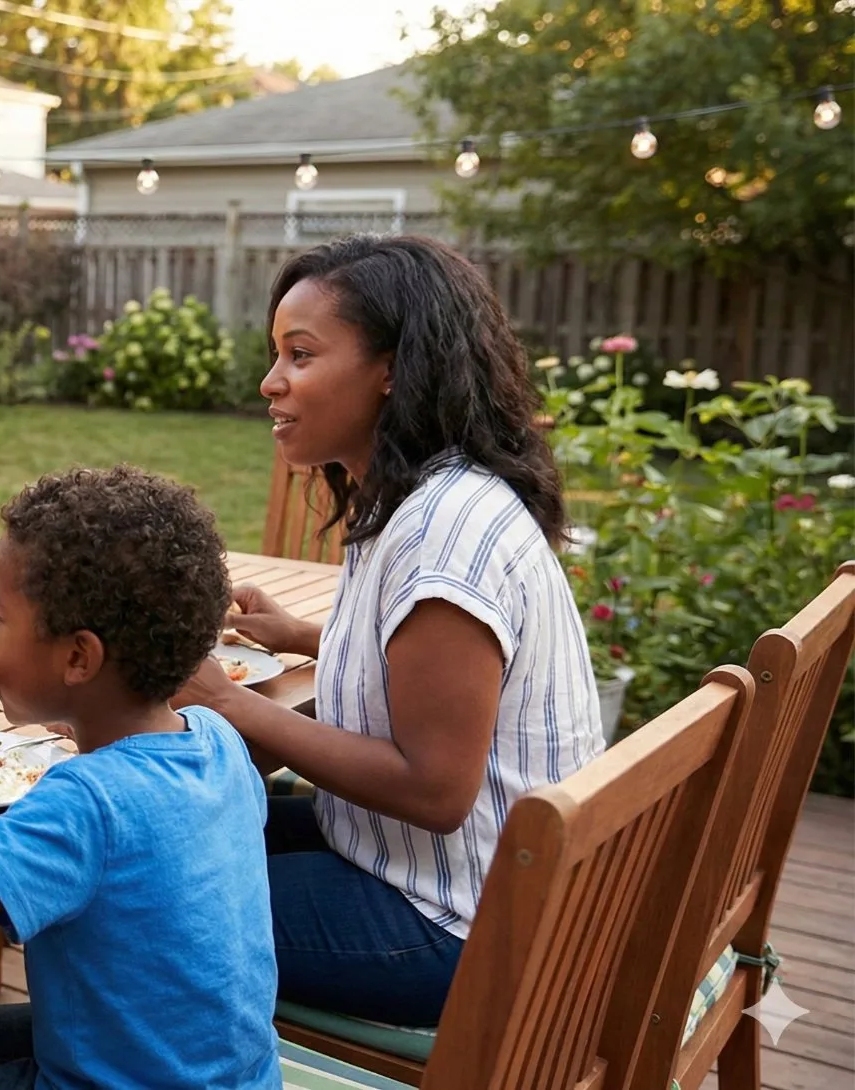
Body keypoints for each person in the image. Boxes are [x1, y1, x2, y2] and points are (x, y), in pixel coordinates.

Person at [177, 234, 605, 1026]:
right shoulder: (430, 493)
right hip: (471, 871)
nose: (271, 382)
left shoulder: (442, 534)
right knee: (157, 836)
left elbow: (436, 790)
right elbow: (433, 667)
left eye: (299, 355)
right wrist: (304, 635)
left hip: (462, 923)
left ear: (394, 370)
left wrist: (231, 703)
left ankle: (77, 1064)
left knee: (121, 891)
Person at [0, 466, 280, 1090]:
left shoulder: (86, 802)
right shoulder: (219, 742)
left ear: (79, 658)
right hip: (232, 1074)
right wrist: (83, 726)